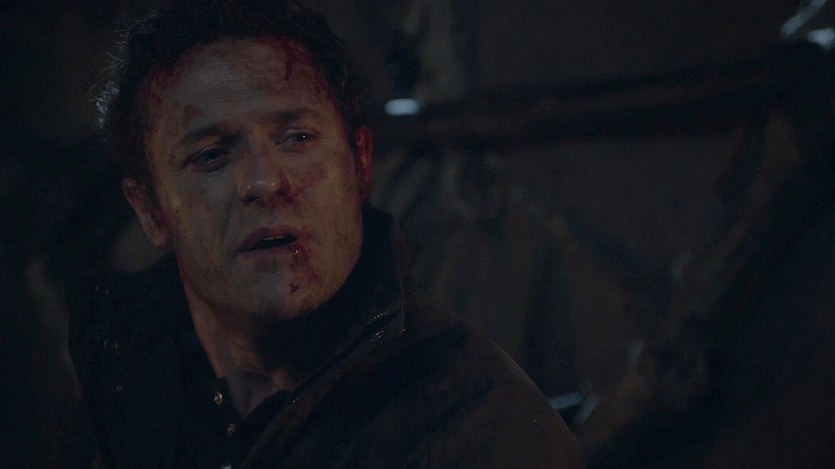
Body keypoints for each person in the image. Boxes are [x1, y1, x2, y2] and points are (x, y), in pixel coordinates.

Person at [68, 1, 585, 468]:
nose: (265, 181)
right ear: (151, 212)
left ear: (359, 165)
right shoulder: (125, 389)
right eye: (211, 155)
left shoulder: (477, 429)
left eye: (298, 138)